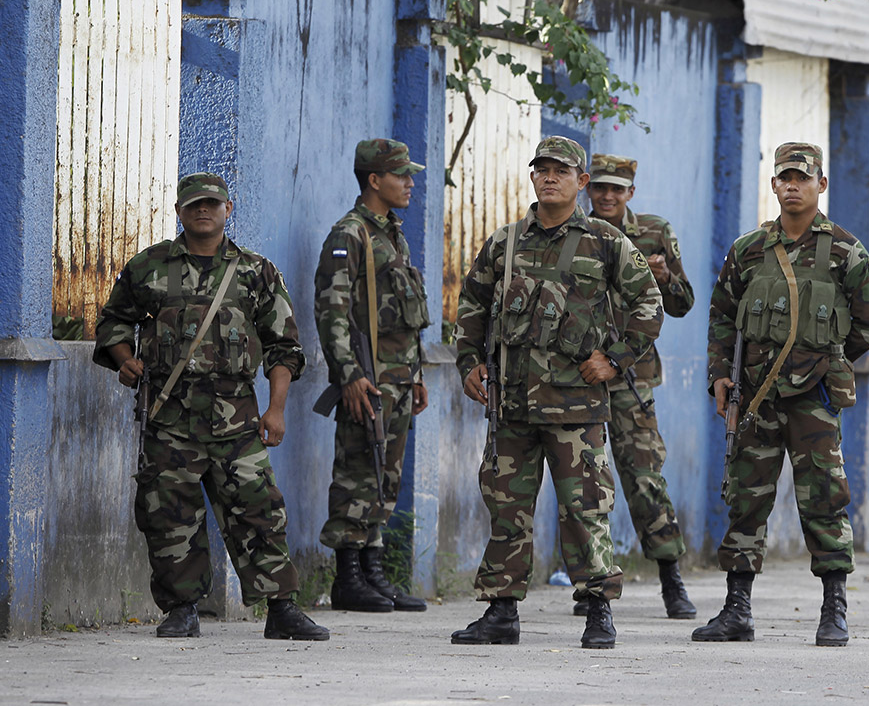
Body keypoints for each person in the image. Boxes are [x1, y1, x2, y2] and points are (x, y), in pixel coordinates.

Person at [93, 172, 328, 641]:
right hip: (169, 418)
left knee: (260, 509)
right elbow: (112, 324)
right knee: (168, 513)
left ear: (228, 208)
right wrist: (125, 361)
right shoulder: (149, 267)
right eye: (194, 204)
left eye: (212, 203)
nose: (203, 210)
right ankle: (182, 609)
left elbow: (284, 347)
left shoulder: (255, 272)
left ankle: (282, 609)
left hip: (236, 418)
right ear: (179, 211)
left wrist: (276, 409)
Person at [450, 136, 663, 650]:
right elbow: (473, 305)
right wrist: (469, 364)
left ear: (581, 182)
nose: (550, 178)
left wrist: (614, 358)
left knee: (586, 508)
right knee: (506, 507)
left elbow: (648, 302)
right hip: (514, 404)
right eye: (541, 169)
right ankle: (501, 612)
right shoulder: (505, 242)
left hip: (576, 406)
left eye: (561, 171)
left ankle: (597, 611)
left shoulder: (606, 242)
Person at [696, 142, 869, 647]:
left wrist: (826, 361)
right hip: (756, 397)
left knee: (824, 498)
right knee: (745, 498)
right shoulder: (748, 250)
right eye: (785, 178)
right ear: (775, 185)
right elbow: (720, 317)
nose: (793, 185)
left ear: (821, 184)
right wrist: (720, 374)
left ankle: (834, 609)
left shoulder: (845, 251)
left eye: (803, 177)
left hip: (814, 399)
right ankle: (736, 609)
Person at [313, 139, 431, 612]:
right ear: (373, 180)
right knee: (357, 473)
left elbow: (405, 314)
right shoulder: (350, 235)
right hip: (368, 377)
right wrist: (349, 375)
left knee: (385, 476)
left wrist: (417, 373)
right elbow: (332, 312)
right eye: (401, 175)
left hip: (399, 378)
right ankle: (348, 578)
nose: (409, 183)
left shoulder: (391, 234)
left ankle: (374, 571)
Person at [584, 153, 696, 620]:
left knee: (643, 474)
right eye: (601, 189)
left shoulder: (654, 231)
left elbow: (683, 302)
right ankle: (594, 582)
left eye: (617, 189)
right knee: (586, 482)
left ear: (631, 192)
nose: (608, 196)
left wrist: (666, 277)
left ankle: (672, 579)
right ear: (589, 189)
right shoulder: (574, 231)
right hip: (581, 373)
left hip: (633, 375)